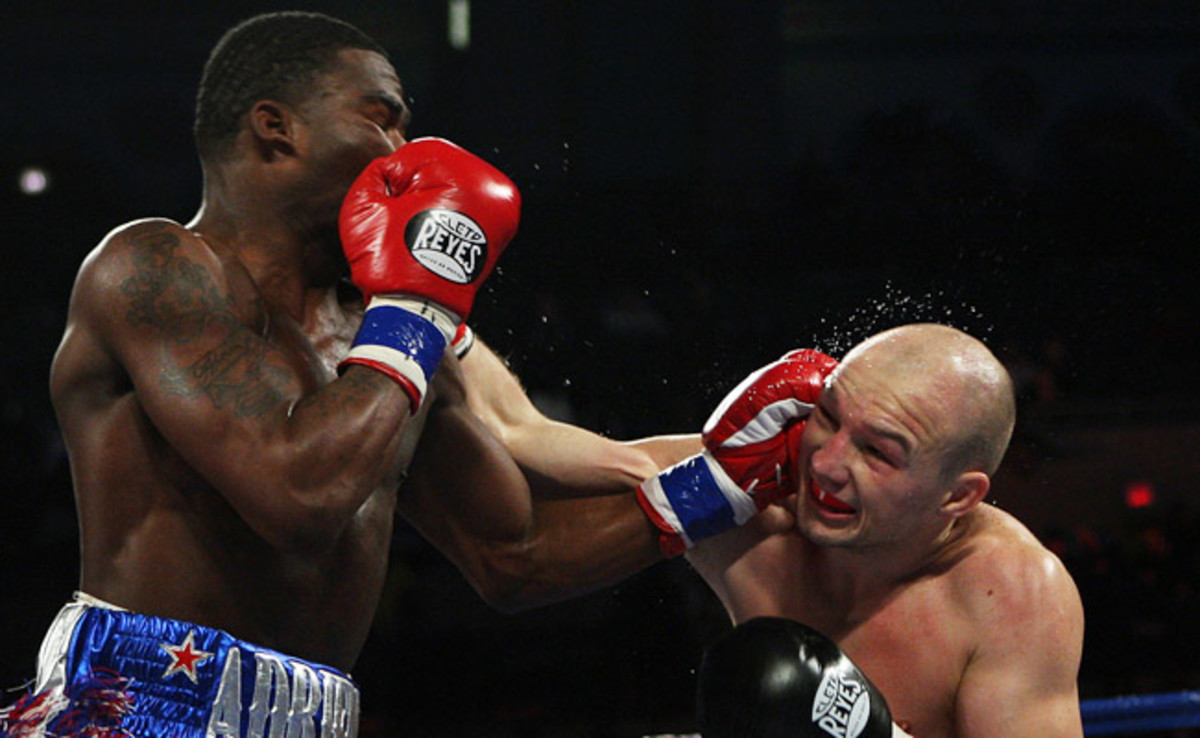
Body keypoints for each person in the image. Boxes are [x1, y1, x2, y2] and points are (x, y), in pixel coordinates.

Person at [0, 10, 801, 736]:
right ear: (276, 128)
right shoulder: (154, 268)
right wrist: (420, 301)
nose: (404, 152)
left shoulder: (388, 336)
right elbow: (296, 495)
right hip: (137, 705)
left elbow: (515, 552)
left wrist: (725, 481)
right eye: (380, 117)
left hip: (314, 716)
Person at [440, 323, 1085, 738]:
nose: (826, 464)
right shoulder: (757, 494)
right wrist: (433, 313)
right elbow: (523, 448)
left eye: (879, 453)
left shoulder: (1011, 593)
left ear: (959, 496)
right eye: (828, 416)